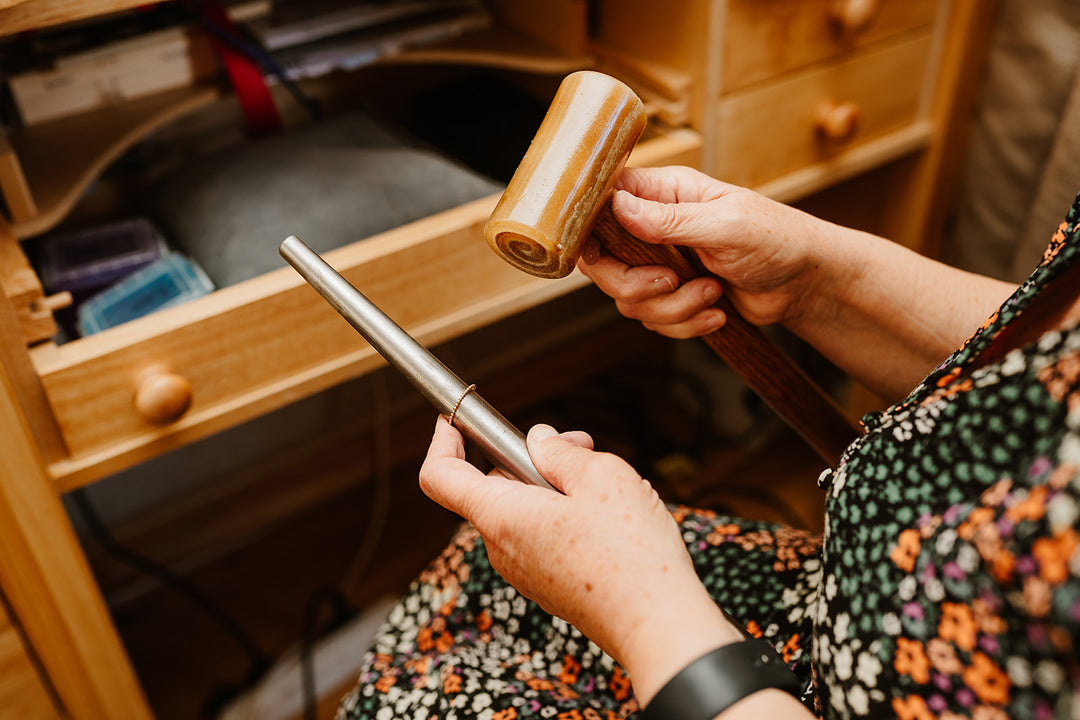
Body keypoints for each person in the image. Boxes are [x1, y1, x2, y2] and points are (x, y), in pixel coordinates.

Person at [337, 165, 1080, 720]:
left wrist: (638, 603)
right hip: (875, 603)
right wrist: (820, 278)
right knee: (478, 583)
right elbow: (1047, 374)